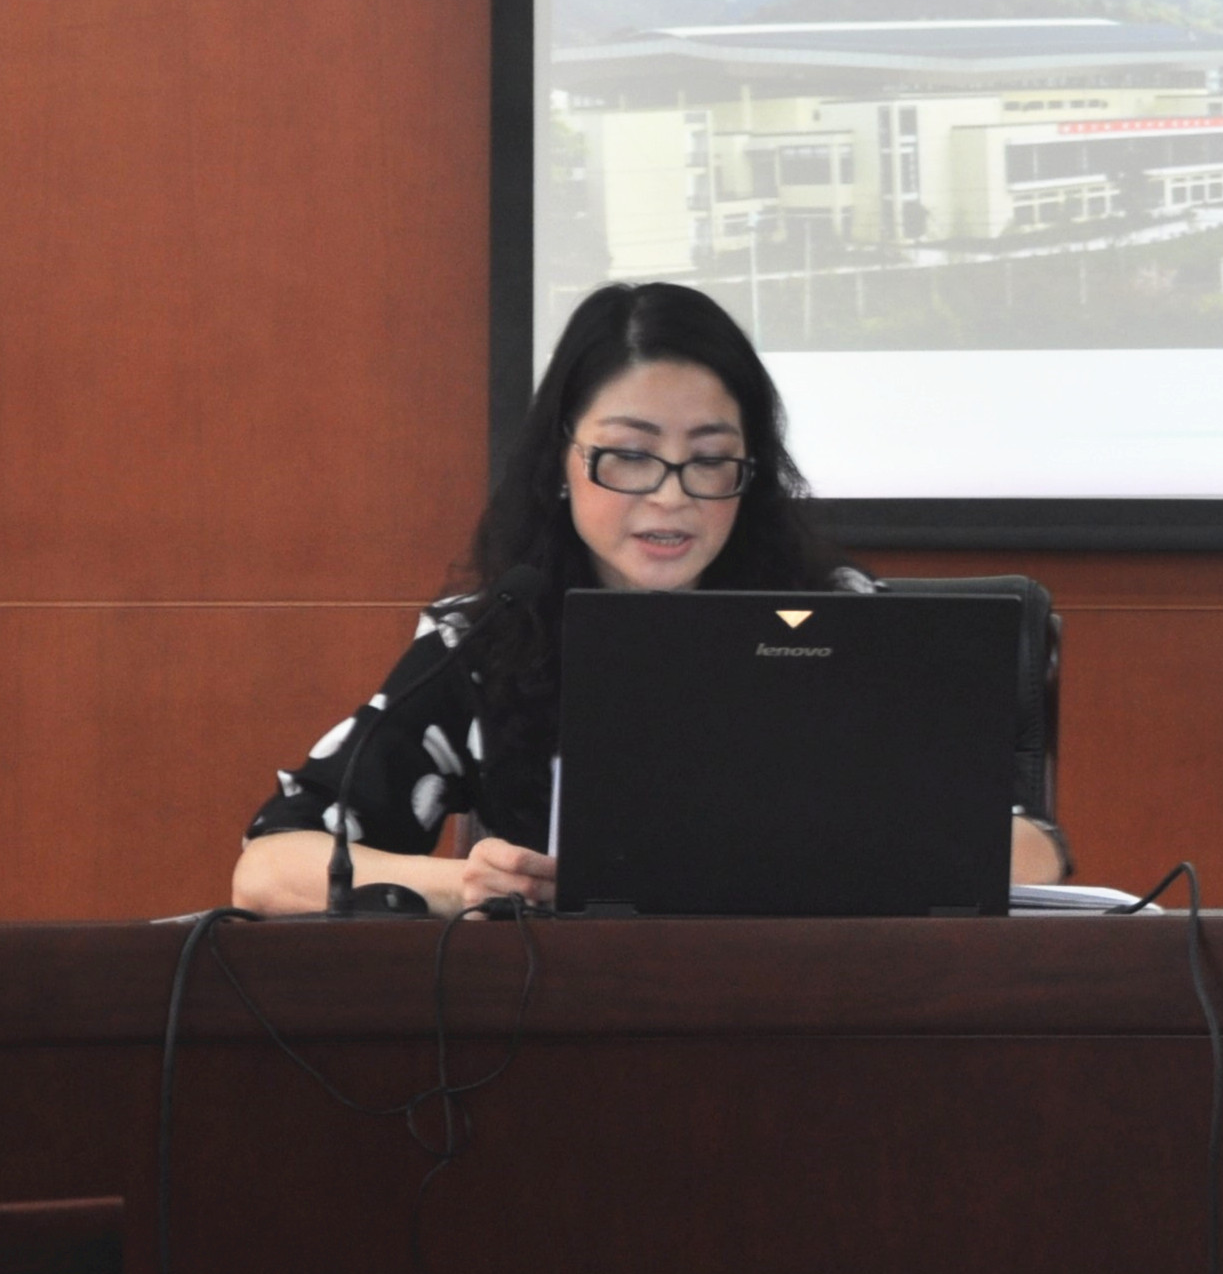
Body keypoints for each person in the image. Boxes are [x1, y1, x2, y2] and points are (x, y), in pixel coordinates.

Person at [233, 281, 1069, 915]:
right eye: (630, 455)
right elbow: (269, 867)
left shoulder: (838, 619)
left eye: (710, 459)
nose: (671, 496)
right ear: (562, 463)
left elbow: (1033, 851)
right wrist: (467, 881)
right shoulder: (494, 635)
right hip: (569, 1030)